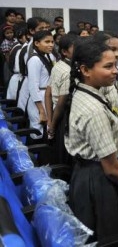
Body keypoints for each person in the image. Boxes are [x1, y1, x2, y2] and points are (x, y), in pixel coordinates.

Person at [64, 38, 118, 242]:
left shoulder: (88, 92)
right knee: (110, 234)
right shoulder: (93, 111)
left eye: (115, 64)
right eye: (108, 66)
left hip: (91, 175)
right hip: (99, 181)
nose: (116, 71)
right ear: (85, 70)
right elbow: (111, 167)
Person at [45, 34, 77, 165]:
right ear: (64, 52)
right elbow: (61, 102)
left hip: (56, 116)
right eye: (76, 48)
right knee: (66, 156)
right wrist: (51, 127)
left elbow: (47, 94)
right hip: (64, 117)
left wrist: (50, 120)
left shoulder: (58, 65)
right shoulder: (68, 71)